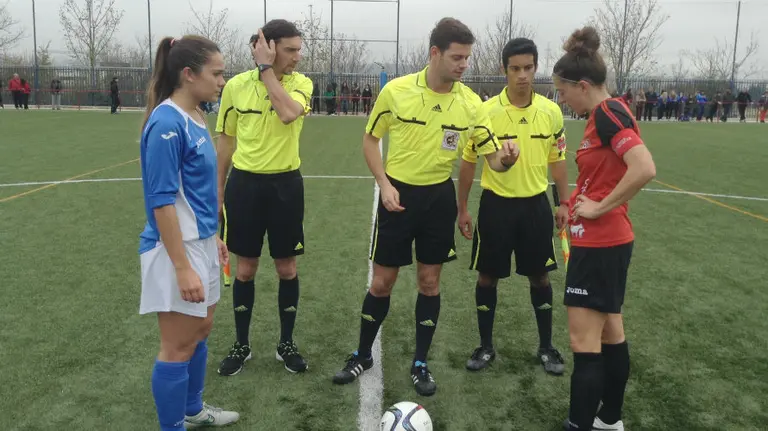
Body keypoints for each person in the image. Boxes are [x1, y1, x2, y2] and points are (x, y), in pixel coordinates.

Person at [331, 17, 520, 397]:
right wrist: (384, 184)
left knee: (429, 282)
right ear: (435, 53)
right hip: (397, 196)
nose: (463, 65)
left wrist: (508, 158)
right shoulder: (397, 92)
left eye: (467, 57)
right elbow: (371, 141)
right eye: (457, 57)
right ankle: (363, 353)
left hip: (438, 200)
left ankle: (420, 362)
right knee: (382, 282)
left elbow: (493, 159)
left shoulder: (471, 104)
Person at [552, 27, 656, 431]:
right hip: (604, 242)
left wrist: (597, 207)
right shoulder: (604, 114)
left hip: (601, 244)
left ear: (582, 85)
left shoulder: (608, 113)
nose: (562, 99)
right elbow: (606, 174)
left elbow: (644, 168)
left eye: (563, 91)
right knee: (611, 331)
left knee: (584, 343)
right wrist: (579, 200)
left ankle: (580, 424)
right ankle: (609, 420)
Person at [138, 35, 239, 430]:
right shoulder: (166, 121)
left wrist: (213, 238)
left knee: (201, 330)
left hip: (201, 244)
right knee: (177, 346)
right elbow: (162, 201)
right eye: (216, 73)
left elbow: (193, 193)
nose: (221, 81)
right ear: (187, 74)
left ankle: (193, 410)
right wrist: (181, 266)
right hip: (174, 250)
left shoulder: (197, 116)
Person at [458, 37, 568, 375]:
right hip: (496, 207)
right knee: (487, 277)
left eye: (529, 68)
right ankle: (486, 346)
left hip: (535, 207)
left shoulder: (551, 112)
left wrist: (563, 203)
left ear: (536, 68)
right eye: (515, 68)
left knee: (540, 278)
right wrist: (462, 209)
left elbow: (558, 160)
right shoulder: (485, 112)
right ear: (504, 70)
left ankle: (547, 347)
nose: (522, 75)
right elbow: (468, 162)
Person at [215, 19, 313, 376]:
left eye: (299, 49)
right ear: (267, 47)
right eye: (290, 49)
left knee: (287, 268)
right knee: (245, 268)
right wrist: (219, 189)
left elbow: (288, 114)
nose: (298, 57)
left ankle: (286, 343)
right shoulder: (235, 88)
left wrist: (266, 70)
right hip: (245, 187)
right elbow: (225, 140)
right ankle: (241, 344)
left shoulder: (301, 85)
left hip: (286, 186)